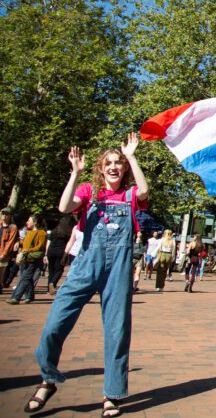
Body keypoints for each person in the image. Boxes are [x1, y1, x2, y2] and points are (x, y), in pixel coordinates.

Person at [25, 134, 148, 416]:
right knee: (54, 324)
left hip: (118, 271)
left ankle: (112, 395)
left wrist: (131, 156)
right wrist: (75, 173)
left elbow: (143, 190)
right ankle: (48, 379)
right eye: (109, 163)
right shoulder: (88, 192)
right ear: (101, 168)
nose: (114, 167)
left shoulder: (129, 196)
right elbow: (63, 207)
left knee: (117, 332)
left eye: (118, 163)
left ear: (124, 168)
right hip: (85, 267)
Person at [7, 215, 47, 304]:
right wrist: (19, 243)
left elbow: (40, 246)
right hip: (25, 258)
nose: (27, 222)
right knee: (27, 278)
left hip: (33, 258)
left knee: (24, 278)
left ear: (35, 222)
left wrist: (27, 250)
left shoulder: (41, 233)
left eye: (29, 220)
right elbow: (26, 244)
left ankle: (16, 297)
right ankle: (29, 296)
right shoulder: (29, 232)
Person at [46, 216, 73, 295]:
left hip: (51, 251)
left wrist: (46, 253)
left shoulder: (54, 231)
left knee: (51, 270)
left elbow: (48, 242)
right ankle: (53, 283)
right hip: (61, 252)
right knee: (59, 270)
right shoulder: (67, 233)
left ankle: (48, 288)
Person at [0, 206, 19, 294]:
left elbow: (10, 241)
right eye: (3, 214)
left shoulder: (13, 227)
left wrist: (4, 253)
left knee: (1, 270)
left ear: (10, 216)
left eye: (6, 214)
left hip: (4, 252)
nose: (4, 216)